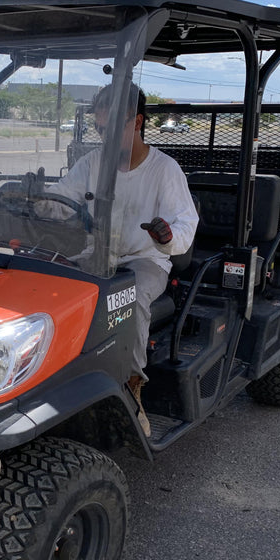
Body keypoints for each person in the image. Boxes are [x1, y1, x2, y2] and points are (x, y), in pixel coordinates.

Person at [47, 84, 198, 436]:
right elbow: (62, 197)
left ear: (138, 122)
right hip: (96, 254)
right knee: (53, 285)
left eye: (112, 129)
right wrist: (36, 202)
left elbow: (185, 224)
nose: (105, 137)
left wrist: (166, 236)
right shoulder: (93, 162)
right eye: (100, 129)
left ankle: (131, 389)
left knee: (129, 297)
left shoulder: (164, 170)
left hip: (145, 260)